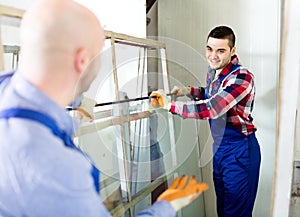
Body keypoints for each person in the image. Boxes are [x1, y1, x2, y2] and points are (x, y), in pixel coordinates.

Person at [0, 0, 208, 216]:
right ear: (82, 60)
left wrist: (73, 109)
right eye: (99, 54)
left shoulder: (6, 88)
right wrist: (167, 206)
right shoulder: (56, 168)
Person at [151, 26, 261, 217]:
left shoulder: (242, 77)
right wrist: (188, 91)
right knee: (223, 209)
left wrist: (170, 105)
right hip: (220, 150)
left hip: (241, 150)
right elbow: (211, 93)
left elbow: (213, 107)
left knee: (236, 213)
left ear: (232, 51)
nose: (213, 56)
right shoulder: (214, 71)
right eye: (209, 49)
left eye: (220, 50)